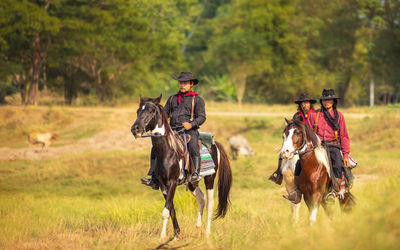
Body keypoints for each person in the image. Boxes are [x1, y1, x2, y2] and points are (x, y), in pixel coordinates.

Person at [285, 89, 353, 203]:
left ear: (333, 101)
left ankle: (334, 190)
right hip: (318, 146)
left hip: (333, 145)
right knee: (298, 164)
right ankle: (297, 192)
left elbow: (344, 136)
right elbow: (308, 132)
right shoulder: (314, 115)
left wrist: (345, 154)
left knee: (337, 163)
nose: (327, 102)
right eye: (324, 100)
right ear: (322, 101)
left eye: (329, 100)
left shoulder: (339, 116)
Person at [141, 72, 206, 189]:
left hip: (189, 131)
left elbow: (202, 117)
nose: (182, 85)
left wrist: (191, 124)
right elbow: (165, 114)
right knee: (155, 148)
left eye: (185, 83)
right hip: (172, 130)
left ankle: (195, 173)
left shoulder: (197, 100)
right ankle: (153, 176)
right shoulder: (172, 98)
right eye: (180, 83)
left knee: (193, 145)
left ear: (191, 84)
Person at [269, 93, 316, 184]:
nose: (304, 105)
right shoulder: (297, 116)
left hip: (311, 141)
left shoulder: (315, 115)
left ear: (310, 104)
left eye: (306, 103)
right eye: (302, 103)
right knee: (282, 153)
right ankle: (279, 174)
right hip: (299, 141)